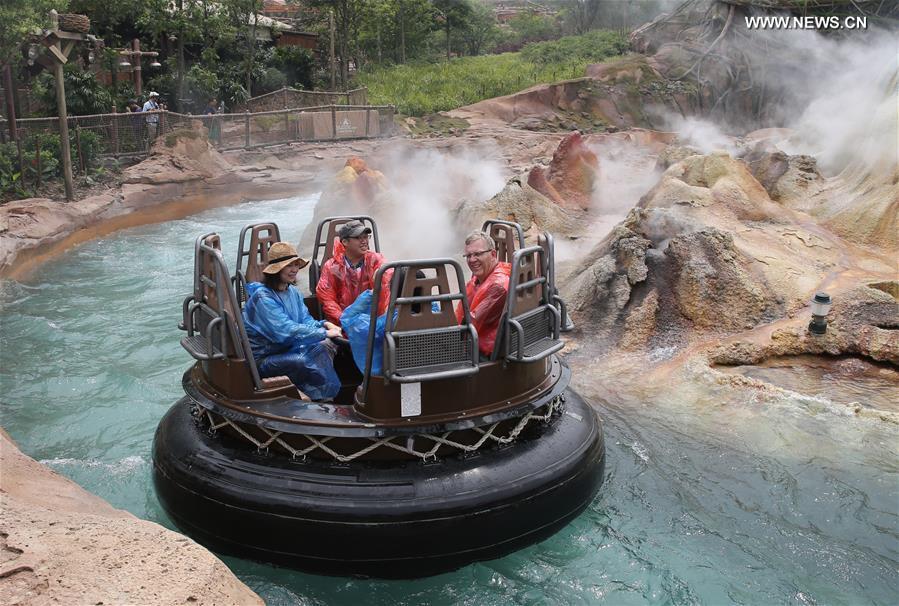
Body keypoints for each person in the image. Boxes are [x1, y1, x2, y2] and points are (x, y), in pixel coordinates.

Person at [242, 242, 343, 400]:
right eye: (289, 265)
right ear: (276, 270)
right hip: (265, 357)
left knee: (327, 344)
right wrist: (323, 332)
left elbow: (305, 320)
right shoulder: (263, 298)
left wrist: (323, 324)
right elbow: (285, 331)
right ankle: (316, 397)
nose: (294, 269)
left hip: (289, 348)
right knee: (302, 360)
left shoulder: (293, 292)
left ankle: (322, 396)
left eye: (296, 264)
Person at [316, 219, 392, 327]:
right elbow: (327, 299)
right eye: (358, 238)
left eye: (366, 237)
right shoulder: (332, 266)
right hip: (342, 325)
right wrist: (345, 321)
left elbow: (388, 272)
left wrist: (382, 276)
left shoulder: (375, 259)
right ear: (345, 242)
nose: (364, 241)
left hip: (374, 323)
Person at [455, 231, 512, 359]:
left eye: (478, 254)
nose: (472, 260)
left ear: (493, 254)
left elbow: (471, 325)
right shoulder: (481, 278)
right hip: (472, 341)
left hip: (480, 353)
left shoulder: (497, 286)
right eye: (468, 255)